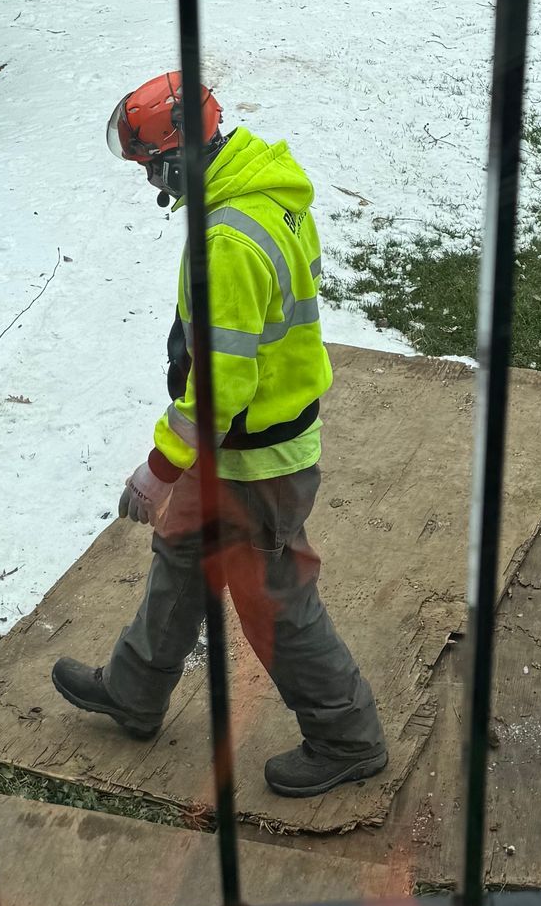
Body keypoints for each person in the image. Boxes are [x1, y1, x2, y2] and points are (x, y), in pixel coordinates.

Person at [51, 74, 388, 797]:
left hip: (255, 456)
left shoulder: (227, 241)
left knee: (274, 598)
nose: (151, 184)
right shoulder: (266, 194)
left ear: (180, 157)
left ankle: (346, 736)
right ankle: (135, 693)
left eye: (152, 168)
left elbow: (223, 383)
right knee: (180, 553)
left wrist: (161, 467)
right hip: (247, 443)